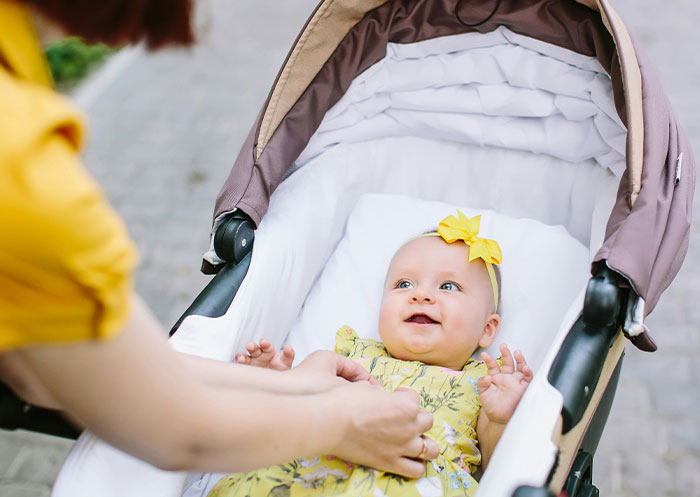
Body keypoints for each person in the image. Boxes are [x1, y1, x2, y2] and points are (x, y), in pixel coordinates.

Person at [0, 0, 440, 477]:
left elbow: (47, 375)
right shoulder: (22, 166)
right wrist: (339, 423)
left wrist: (300, 385)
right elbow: (175, 428)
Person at [211, 212, 533, 497]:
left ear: (487, 329)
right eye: (404, 284)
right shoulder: (351, 355)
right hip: (313, 466)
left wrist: (500, 419)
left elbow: (495, 470)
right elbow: (302, 411)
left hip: (412, 475)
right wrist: (278, 384)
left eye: (448, 287)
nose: (420, 295)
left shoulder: (482, 383)